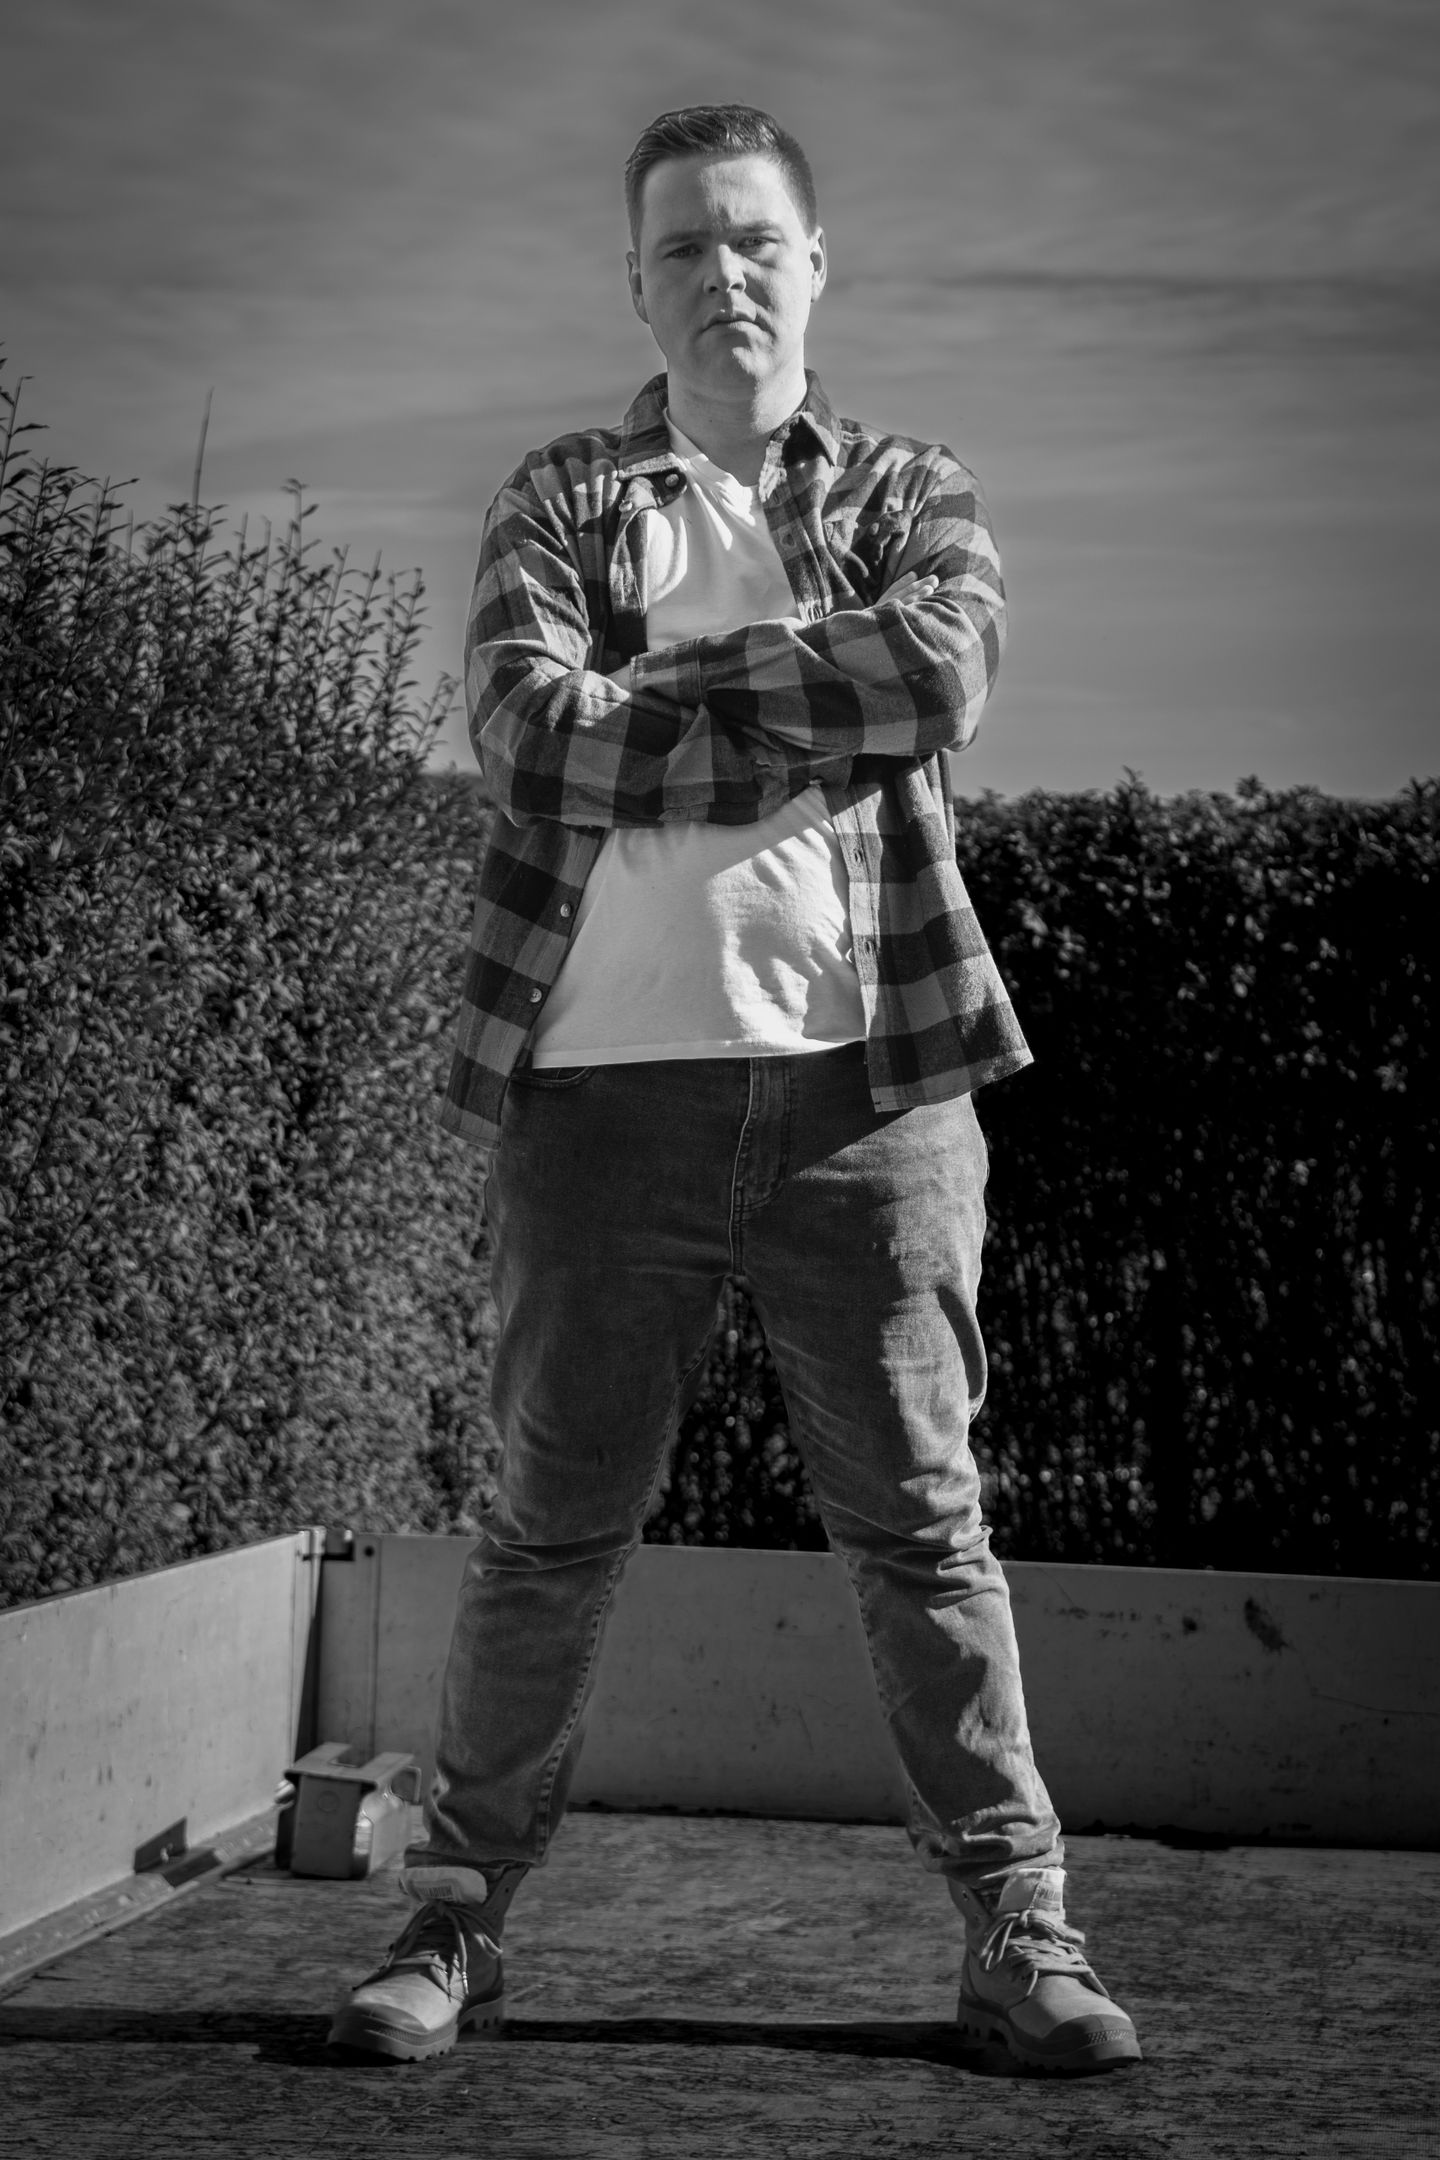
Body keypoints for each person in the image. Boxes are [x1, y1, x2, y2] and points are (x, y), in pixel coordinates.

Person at [329, 102, 1141, 2078]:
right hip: (601, 1108)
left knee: (926, 1535)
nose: (726, 275)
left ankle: (1019, 1941)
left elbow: (936, 681)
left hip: (873, 1104)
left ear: (816, 264)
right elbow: (530, 730)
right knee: (546, 1534)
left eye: (757, 240)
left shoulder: (912, 488)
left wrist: (669, 698)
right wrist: (805, 701)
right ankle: (453, 1932)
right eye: (685, 247)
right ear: (639, 284)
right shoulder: (562, 494)